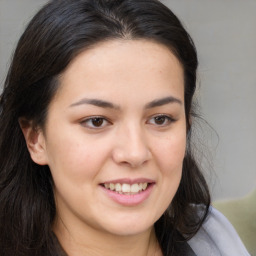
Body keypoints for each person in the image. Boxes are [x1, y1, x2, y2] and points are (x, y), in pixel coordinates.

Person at [0, 0, 250, 255]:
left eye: (160, 119)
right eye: (96, 121)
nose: (134, 153)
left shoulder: (218, 244)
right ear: (35, 139)